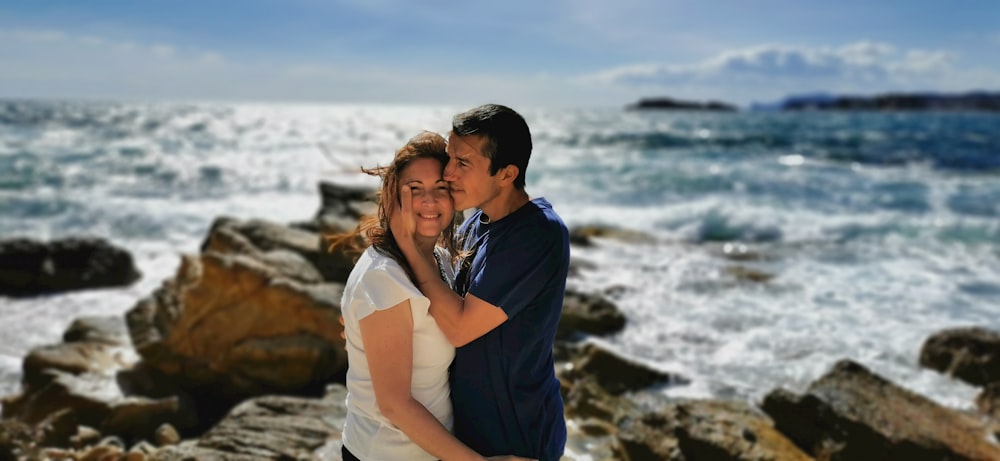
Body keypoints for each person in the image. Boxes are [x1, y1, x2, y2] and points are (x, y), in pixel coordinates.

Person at [333, 131, 530, 461]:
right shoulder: (384, 278)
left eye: (441, 188)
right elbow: (395, 405)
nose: (429, 201)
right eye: (415, 190)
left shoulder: (437, 261)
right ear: (393, 196)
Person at [392, 104, 569, 460]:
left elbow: (458, 327)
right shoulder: (476, 222)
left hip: (517, 439)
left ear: (506, 174)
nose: (448, 173)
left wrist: (411, 247)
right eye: (450, 158)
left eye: (464, 163)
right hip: (470, 433)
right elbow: (438, 299)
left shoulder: (537, 233)